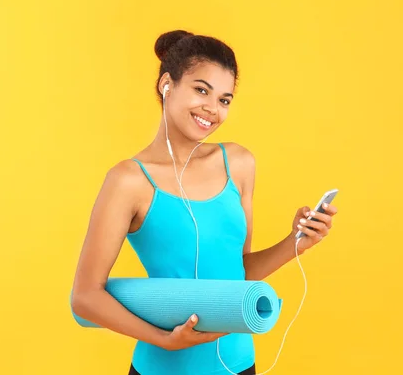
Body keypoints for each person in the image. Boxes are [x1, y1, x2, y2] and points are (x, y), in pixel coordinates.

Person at [70, 30, 338, 375]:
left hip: (240, 364)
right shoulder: (129, 181)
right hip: (163, 368)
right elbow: (85, 296)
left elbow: (236, 273)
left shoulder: (239, 164)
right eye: (201, 90)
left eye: (224, 100)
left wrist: (297, 243)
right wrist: (162, 339)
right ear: (167, 84)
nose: (212, 110)